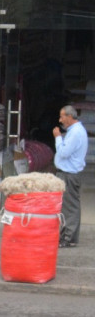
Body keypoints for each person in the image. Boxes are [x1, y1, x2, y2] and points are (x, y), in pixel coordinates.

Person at [53, 105, 88, 248]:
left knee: (70, 207)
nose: (60, 120)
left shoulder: (75, 133)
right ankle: (66, 235)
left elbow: (64, 152)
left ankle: (69, 238)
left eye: (62, 116)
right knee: (65, 206)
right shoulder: (74, 131)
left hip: (69, 175)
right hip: (67, 174)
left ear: (69, 116)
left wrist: (58, 138)